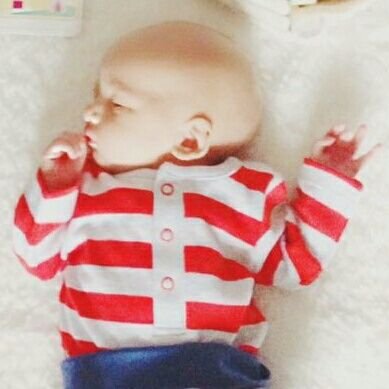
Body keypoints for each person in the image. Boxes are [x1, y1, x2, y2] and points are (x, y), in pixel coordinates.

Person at [12, 21, 380, 389]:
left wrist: (329, 184)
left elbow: (295, 265)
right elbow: (36, 258)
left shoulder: (242, 195)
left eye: (117, 103)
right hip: (109, 375)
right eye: (96, 97)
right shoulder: (86, 189)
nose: (90, 112)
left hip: (214, 372)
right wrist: (55, 185)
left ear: (190, 140)